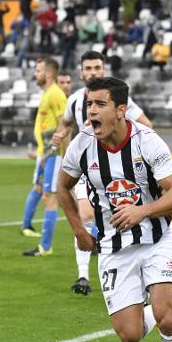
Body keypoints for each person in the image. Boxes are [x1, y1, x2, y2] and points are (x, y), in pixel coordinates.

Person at [57, 76, 172, 342]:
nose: (92, 110)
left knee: (167, 319)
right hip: (112, 246)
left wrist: (142, 211)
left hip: (156, 240)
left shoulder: (148, 141)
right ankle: (150, 312)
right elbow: (62, 187)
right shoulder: (81, 145)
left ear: (120, 110)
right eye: (89, 103)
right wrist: (79, 231)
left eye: (100, 104)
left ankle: (165, 316)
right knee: (130, 335)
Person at [51, 50, 152, 296]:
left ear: (103, 69)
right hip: (87, 168)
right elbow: (65, 122)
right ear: (81, 72)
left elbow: (146, 125)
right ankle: (83, 275)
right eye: (89, 68)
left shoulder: (116, 99)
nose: (93, 72)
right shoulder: (75, 100)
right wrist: (61, 133)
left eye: (97, 67)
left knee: (123, 220)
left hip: (119, 172)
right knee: (84, 214)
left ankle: (140, 273)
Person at [21, 58, 68, 257]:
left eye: (39, 70)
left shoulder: (55, 94)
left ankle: (45, 247)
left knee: (51, 198)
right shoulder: (47, 94)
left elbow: (64, 125)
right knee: (50, 196)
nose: (36, 73)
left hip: (55, 154)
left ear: (48, 74)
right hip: (48, 154)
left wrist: (65, 156)